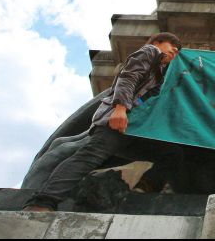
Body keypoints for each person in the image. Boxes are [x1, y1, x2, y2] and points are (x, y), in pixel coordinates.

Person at [23, 32, 185, 211]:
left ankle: (145, 187)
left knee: (171, 154)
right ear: (157, 42)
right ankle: (42, 202)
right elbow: (128, 78)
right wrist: (120, 109)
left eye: (177, 51)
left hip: (134, 128)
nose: (174, 51)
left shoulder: (159, 72)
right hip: (118, 119)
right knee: (89, 157)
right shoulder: (150, 52)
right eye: (172, 46)